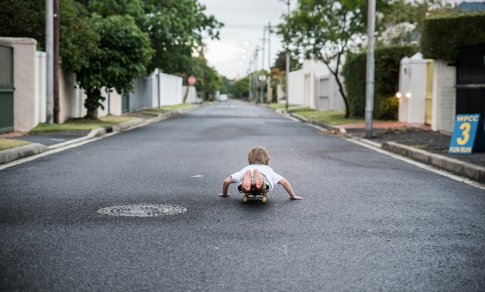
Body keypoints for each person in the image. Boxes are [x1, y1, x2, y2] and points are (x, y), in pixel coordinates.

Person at [218, 146, 304, 202]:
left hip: (245, 179)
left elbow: (227, 181)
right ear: (267, 159)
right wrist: (293, 196)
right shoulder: (268, 169)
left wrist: (224, 193)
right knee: (264, 186)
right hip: (263, 178)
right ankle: (260, 180)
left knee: (244, 184)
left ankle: (247, 180)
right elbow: (284, 182)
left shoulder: (246, 169)